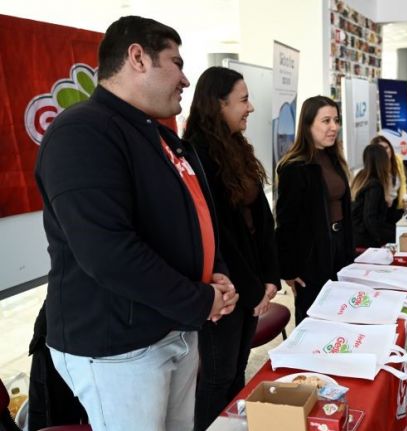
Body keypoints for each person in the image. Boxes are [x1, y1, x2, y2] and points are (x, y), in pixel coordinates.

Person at [33, 16, 238, 431]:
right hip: (119, 346)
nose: (185, 79)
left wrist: (217, 276)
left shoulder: (157, 136)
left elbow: (191, 221)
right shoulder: (82, 133)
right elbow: (107, 252)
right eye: (176, 63)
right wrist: (199, 301)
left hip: (174, 328)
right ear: (137, 58)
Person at [183, 66, 281, 430]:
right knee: (216, 377)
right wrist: (253, 288)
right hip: (226, 289)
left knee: (237, 369)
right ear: (217, 104)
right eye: (242, 100)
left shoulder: (237, 147)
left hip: (253, 283)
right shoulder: (196, 156)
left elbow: (262, 217)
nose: (251, 107)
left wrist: (270, 276)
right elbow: (219, 234)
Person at [276, 96, 354, 325]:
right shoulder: (294, 167)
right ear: (308, 125)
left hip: (339, 247)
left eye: (336, 120)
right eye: (326, 121)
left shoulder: (334, 159)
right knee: (315, 317)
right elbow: (286, 222)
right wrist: (288, 270)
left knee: (341, 312)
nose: (334, 127)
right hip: (312, 256)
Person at [351, 144, 396, 248]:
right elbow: (370, 218)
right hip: (364, 237)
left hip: (356, 234)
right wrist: (380, 241)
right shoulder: (374, 185)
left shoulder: (361, 177)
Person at [371, 135, 407, 223]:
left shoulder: (397, 160)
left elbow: (403, 182)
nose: (385, 152)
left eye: (386, 148)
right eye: (381, 150)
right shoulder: (375, 167)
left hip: (396, 206)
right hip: (381, 209)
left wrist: (405, 201)